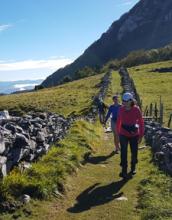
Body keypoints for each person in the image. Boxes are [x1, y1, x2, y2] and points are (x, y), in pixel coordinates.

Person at [116, 92, 144, 178]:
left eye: (125, 101)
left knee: (134, 152)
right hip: (123, 134)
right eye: (123, 100)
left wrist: (141, 135)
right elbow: (118, 121)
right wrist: (117, 134)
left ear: (130, 101)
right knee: (123, 152)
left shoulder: (136, 109)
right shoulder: (121, 109)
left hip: (134, 134)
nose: (123, 102)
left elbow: (141, 122)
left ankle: (133, 168)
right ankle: (124, 170)